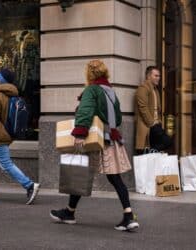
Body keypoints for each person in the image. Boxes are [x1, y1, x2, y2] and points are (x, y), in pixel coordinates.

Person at [50, 60, 139, 232]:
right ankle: (128, 216)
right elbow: (119, 119)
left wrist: (80, 132)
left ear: (89, 73)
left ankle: (70, 213)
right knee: (115, 179)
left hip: (95, 139)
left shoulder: (91, 90)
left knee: (80, 172)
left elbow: (86, 110)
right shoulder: (111, 91)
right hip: (112, 139)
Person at [0, 68, 40, 204]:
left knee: (6, 164)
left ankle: (29, 185)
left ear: (2, 80)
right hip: (6, 134)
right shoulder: (12, 95)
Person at [134, 66, 172, 154]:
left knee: (162, 144)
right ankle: (151, 152)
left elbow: (157, 109)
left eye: (159, 76)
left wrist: (158, 121)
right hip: (149, 125)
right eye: (156, 76)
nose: (158, 78)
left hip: (155, 124)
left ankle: (151, 152)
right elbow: (143, 108)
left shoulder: (155, 90)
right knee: (167, 141)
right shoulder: (143, 89)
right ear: (148, 76)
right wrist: (152, 123)